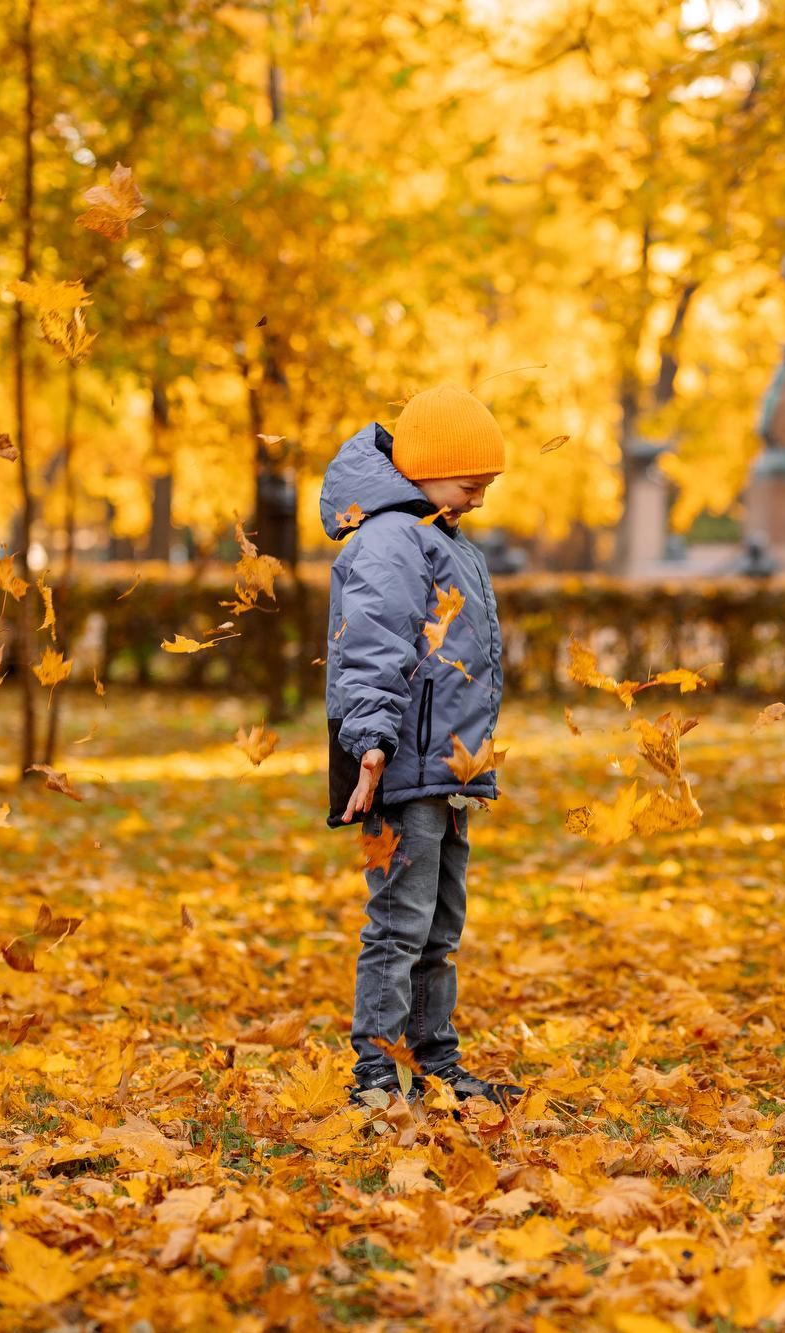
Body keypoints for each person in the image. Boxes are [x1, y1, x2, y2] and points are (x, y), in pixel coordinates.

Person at [319, 384, 523, 1108]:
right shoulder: (391, 538)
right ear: (430, 467)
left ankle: (433, 1060)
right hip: (398, 769)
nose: (478, 500)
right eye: (472, 484)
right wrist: (371, 742)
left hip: (443, 772)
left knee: (439, 924)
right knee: (400, 924)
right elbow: (372, 647)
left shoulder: (437, 535)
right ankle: (379, 1073)